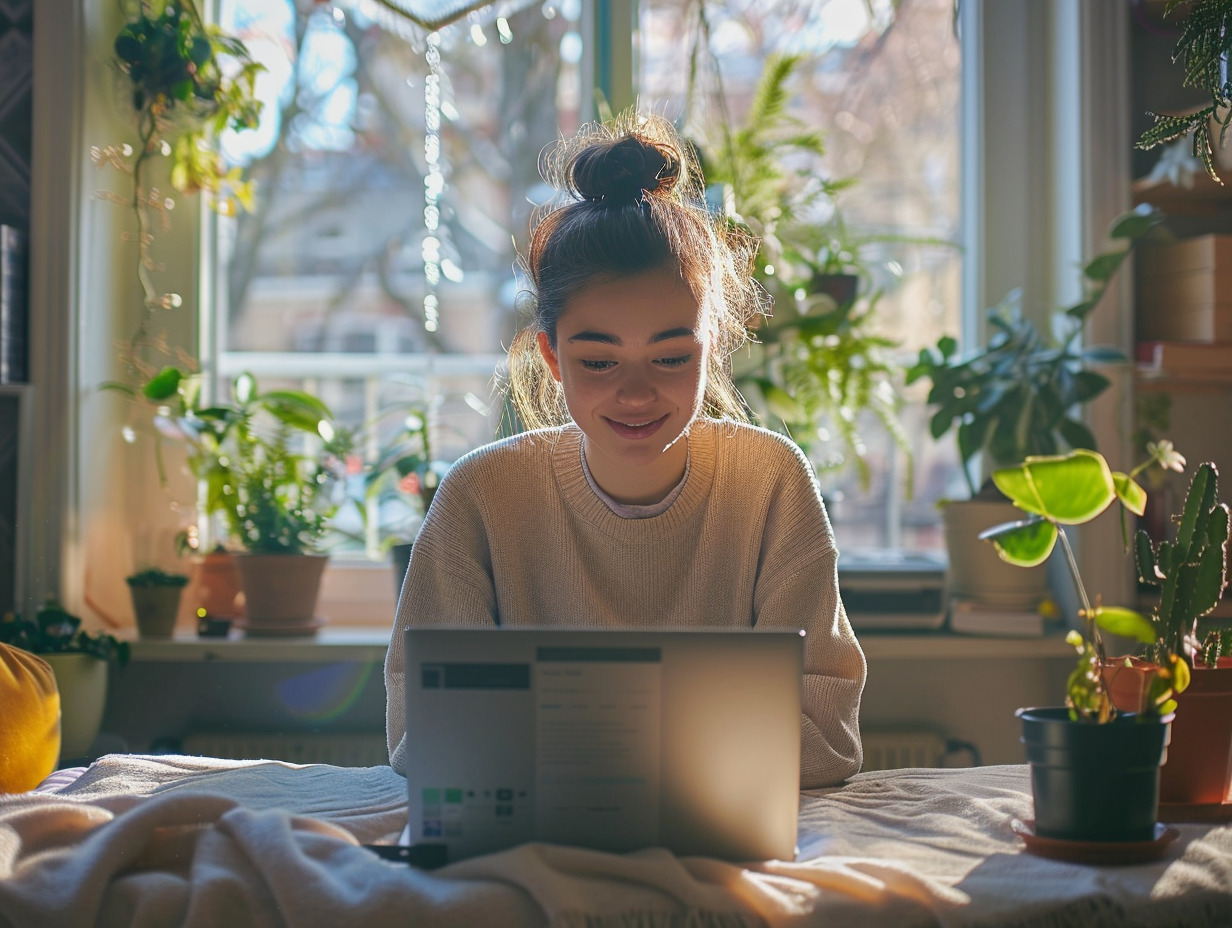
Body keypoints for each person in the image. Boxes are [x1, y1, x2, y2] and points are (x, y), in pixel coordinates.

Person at [385, 112, 866, 789]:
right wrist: (681, 740)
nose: (636, 394)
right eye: (600, 362)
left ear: (714, 347)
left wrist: (567, 738)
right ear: (552, 357)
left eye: (670, 357)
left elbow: (825, 738)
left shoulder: (770, 482)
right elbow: (421, 736)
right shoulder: (482, 496)